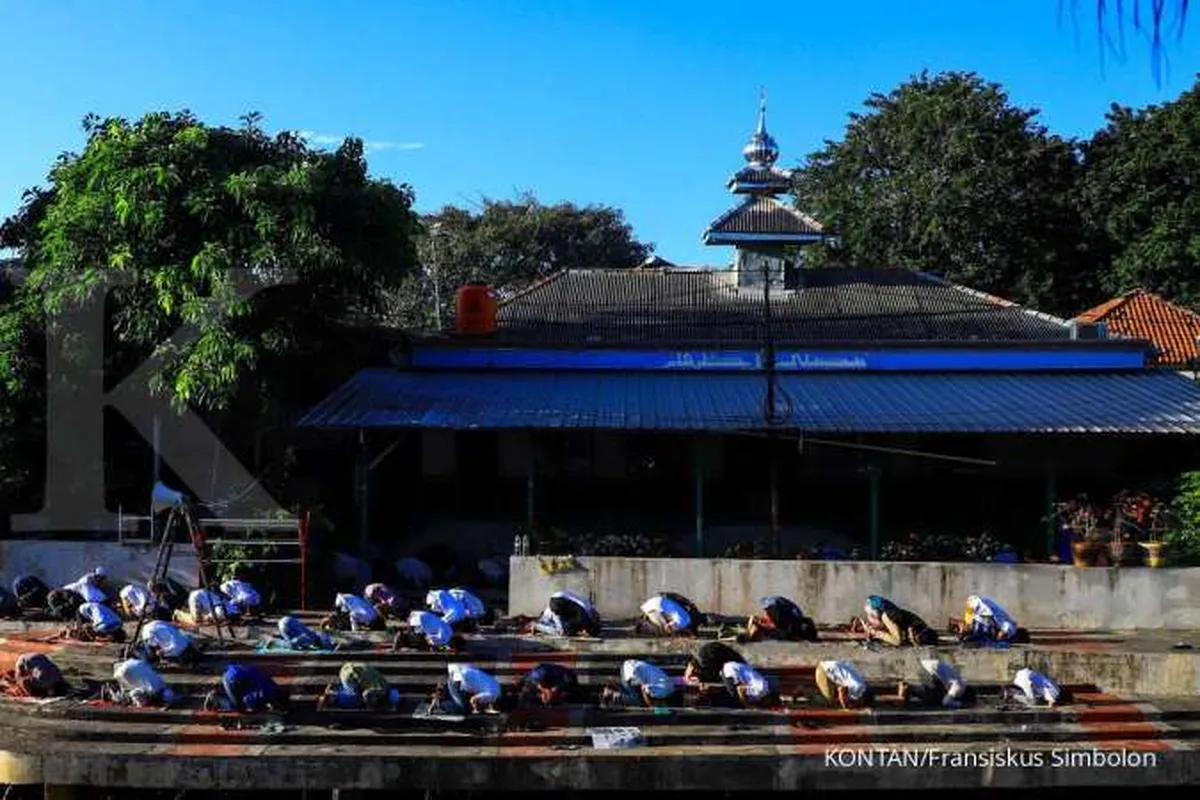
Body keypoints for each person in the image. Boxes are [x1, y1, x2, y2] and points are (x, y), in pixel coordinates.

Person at [204, 663, 290, 713]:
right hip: (232, 679)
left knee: (240, 697)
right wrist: (261, 708)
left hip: (238, 673)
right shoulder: (265, 693)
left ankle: (223, 694)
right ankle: (215, 697)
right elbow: (248, 700)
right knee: (238, 708)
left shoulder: (273, 688)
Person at [857, 596, 937, 647]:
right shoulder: (917, 627)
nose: (911, 639)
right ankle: (874, 632)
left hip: (887, 613)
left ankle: (872, 629)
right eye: (914, 639)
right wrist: (878, 633)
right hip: (888, 615)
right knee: (897, 641)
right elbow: (907, 634)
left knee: (896, 636)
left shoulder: (920, 626)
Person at [319, 662, 400, 711]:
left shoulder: (376, 691)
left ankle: (372, 710)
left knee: (364, 696)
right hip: (353, 673)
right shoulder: (352, 672)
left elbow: (356, 696)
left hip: (352, 673)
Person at [899, 658, 975, 709]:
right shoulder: (958, 688)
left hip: (928, 665)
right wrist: (961, 705)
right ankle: (908, 688)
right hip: (928, 669)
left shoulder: (961, 682)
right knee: (933, 697)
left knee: (937, 694)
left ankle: (910, 689)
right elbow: (946, 702)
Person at [108, 658, 178, 708]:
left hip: (145, 686)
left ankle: (118, 696)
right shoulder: (158, 686)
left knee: (133, 694)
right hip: (136, 674)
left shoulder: (156, 687)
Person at [958, 595, 1029, 644]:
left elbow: (1005, 626)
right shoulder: (978, 609)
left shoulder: (991, 612)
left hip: (1006, 634)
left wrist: (1001, 633)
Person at [530, 590, 602, 638]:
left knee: (568, 628)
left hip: (558, 601)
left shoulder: (586, 608)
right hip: (559, 603)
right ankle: (536, 626)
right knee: (561, 632)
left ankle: (540, 623)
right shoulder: (584, 613)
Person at [747, 596, 818, 642]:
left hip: (789, 623)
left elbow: (781, 631)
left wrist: (762, 627)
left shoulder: (793, 623)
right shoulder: (775, 608)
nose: (767, 612)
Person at [516, 662, 580, 708]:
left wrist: (547, 695)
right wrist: (546, 693)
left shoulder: (563, 679)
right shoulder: (536, 676)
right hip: (538, 678)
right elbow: (545, 688)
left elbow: (552, 690)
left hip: (547, 678)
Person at [637, 592, 701, 637]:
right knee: (662, 630)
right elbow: (668, 627)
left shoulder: (686, 618)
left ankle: (646, 621)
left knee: (666, 628)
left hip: (660, 602)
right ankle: (643, 622)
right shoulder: (683, 621)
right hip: (653, 606)